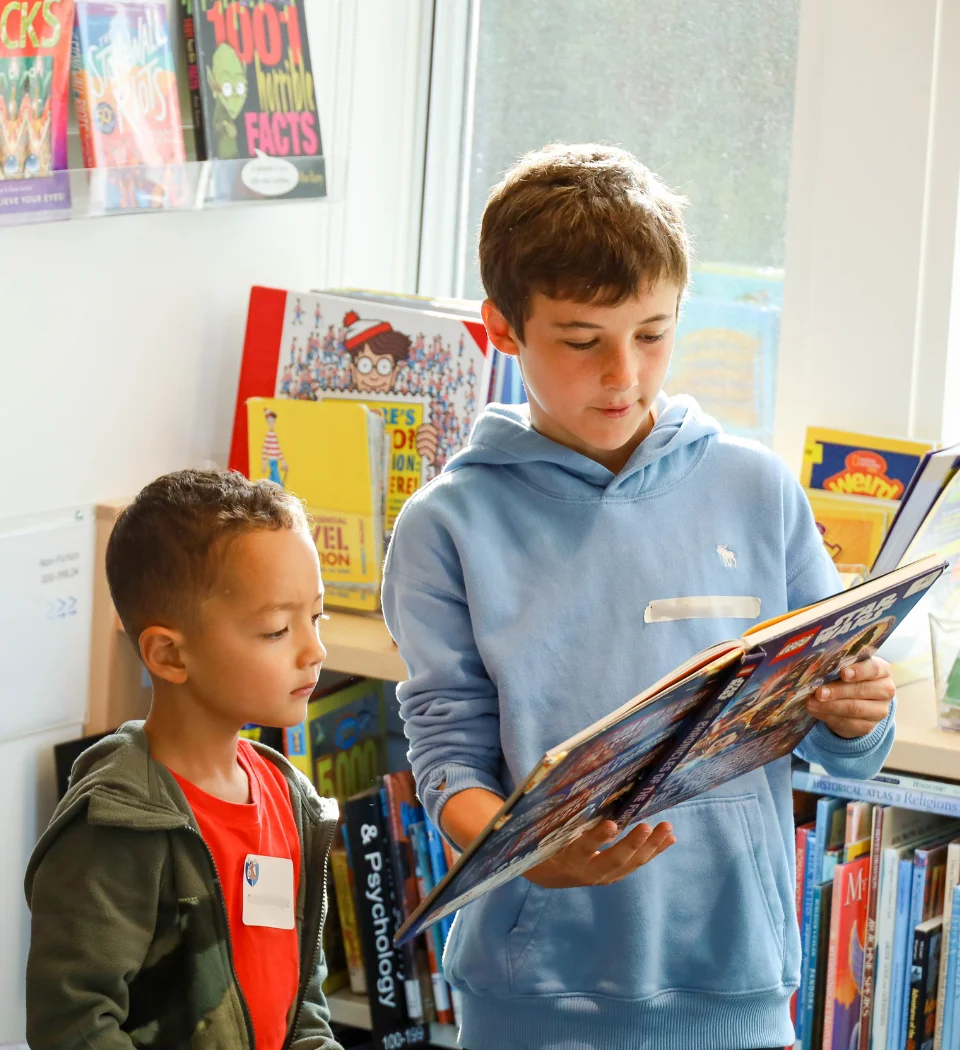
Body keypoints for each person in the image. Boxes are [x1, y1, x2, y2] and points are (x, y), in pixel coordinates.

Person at [381, 143, 897, 1050]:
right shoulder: (446, 525)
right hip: (532, 1000)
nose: (624, 372)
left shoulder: (758, 488)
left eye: (652, 333)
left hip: (739, 984)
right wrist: (531, 856)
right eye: (583, 341)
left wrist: (858, 717)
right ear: (502, 328)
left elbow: (839, 743)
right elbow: (446, 764)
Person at [24, 469, 341, 1050]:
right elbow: (73, 1027)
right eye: (276, 630)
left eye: (315, 617)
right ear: (168, 654)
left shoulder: (288, 799)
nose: (314, 650)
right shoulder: (115, 826)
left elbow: (304, 1005)